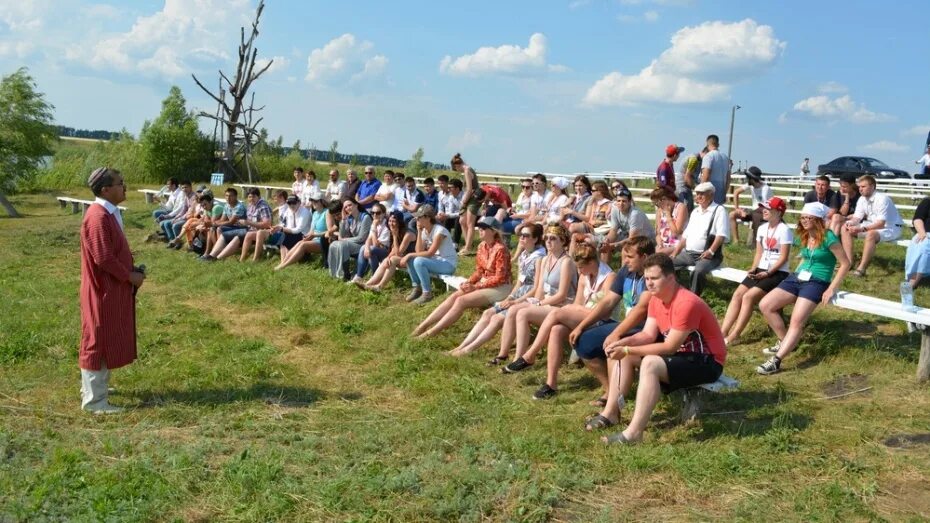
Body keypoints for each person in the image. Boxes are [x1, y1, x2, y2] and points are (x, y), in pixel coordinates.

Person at [596, 253, 726, 444]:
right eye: (647, 278)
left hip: (707, 361)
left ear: (671, 278)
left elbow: (669, 346)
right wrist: (623, 343)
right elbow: (647, 335)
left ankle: (634, 433)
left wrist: (627, 350)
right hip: (684, 356)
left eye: (654, 278)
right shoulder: (656, 299)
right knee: (624, 356)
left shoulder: (686, 303)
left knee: (650, 363)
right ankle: (611, 413)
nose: (649, 283)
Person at [505, 241, 616, 400]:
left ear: (592, 262)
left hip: (602, 320)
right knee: (556, 330)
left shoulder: (609, 277)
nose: (579, 271)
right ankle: (551, 384)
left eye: (581, 267)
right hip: (585, 317)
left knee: (558, 313)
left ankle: (530, 355)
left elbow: (606, 310)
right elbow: (577, 302)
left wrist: (575, 310)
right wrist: (575, 309)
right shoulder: (585, 275)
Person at [79, 167, 145, 414]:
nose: (124, 186)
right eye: (119, 183)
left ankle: (97, 387)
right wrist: (130, 276)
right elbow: (104, 258)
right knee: (97, 339)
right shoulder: (98, 216)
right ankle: (94, 401)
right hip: (102, 289)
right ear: (105, 189)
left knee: (106, 335)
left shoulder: (108, 213)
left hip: (112, 288)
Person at [756, 202, 850, 375]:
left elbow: (845, 264)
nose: (804, 221)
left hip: (818, 281)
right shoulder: (805, 236)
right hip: (798, 277)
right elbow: (805, 257)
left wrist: (831, 288)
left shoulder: (829, 237)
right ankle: (786, 342)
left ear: (818, 220)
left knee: (796, 321)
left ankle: (776, 360)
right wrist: (796, 272)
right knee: (766, 305)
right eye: (803, 217)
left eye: (809, 218)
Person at [567, 237, 655, 416]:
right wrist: (581, 326)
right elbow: (608, 302)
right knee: (583, 341)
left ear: (644, 257)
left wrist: (616, 333)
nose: (625, 261)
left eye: (630, 257)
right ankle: (609, 388)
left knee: (612, 345)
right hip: (627, 325)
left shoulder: (653, 275)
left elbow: (642, 310)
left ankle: (615, 400)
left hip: (646, 330)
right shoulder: (627, 271)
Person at [450, 223, 546, 358]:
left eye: (526, 236)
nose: (521, 238)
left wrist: (515, 301)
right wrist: (510, 297)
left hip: (530, 297)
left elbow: (536, 288)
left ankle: (468, 350)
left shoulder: (540, 258)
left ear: (535, 239)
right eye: (520, 235)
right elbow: (519, 281)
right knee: (487, 313)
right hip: (519, 292)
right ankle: (462, 345)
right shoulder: (524, 254)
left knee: (495, 318)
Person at [412, 216, 512, 338]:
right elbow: (479, 271)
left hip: (502, 287)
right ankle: (423, 325)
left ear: (493, 231)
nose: (480, 230)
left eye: (484, 228)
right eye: (479, 227)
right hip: (486, 283)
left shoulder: (501, 249)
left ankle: (431, 332)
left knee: (461, 301)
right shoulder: (481, 246)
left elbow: (500, 278)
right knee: (456, 295)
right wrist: (469, 282)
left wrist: (475, 287)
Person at [495, 225, 577, 367]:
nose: (548, 241)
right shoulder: (546, 259)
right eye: (546, 238)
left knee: (523, 313)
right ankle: (503, 354)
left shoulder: (566, 262)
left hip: (562, 305)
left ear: (563, 241)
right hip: (547, 302)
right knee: (514, 309)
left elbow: (562, 294)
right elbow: (539, 288)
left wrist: (539, 304)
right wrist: (532, 301)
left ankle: (520, 358)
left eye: (553, 239)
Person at [719, 197, 792, 346]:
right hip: (761, 268)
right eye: (763, 208)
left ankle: (735, 335)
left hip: (778, 272)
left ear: (778, 212)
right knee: (738, 294)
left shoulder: (785, 230)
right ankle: (723, 331)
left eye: (768, 208)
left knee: (748, 297)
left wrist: (768, 272)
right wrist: (753, 267)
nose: (763, 211)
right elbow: (759, 253)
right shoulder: (762, 228)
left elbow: (783, 257)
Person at [391, 204, 460, 304]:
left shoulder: (440, 231)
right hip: (436, 261)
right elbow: (418, 251)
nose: (416, 219)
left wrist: (409, 255)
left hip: (448, 264)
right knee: (412, 259)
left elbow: (430, 252)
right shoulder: (424, 231)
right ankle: (417, 288)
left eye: (419, 217)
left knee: (418, 260)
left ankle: (427, 293)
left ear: (427, 217)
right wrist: (419, 231)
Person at [670, 182, 729, 296]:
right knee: (668, 263)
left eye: (702, 194)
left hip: (709, 256)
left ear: (711, 195)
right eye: (697, 194)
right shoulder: (695, 212)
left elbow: (721, 235)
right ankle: (675, 293)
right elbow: (686, 235)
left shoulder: (719, 210)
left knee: (698, 271)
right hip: (690, 254)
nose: (698, 197)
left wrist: (711, 251)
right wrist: (675, 252)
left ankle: (693, 298)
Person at [841, 174, 905, 277]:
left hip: (892, 228)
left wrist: (861, 229)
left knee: (871, 234)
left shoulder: (882, 199)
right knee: (845, 228)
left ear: (872, 186)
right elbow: (857, 217)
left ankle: (861, 268)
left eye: (863, 186)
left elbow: (881, 224)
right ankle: (849, 262)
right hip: (873, 225)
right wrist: (850, 224)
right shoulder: (862, 199)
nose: (860, 189)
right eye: (859, 187)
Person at [359, 210, 418, 292]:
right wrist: (387, 257)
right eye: (390, 221)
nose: (391, 223)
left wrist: (394, 236)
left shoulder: (408, 234)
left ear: (399, 222)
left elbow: (398, 253)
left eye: (394, 221)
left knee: (392, 259)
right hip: (403, 258)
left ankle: (379, 286)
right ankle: (368, 284)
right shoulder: (397, 231)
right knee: (387, 260)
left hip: (412, 259)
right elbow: (394, 250)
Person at [274, 192, 329, 270]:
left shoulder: (327, 212)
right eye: (312, 201)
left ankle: (283, 266)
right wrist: (307, 237)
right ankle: (283, 263)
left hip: (323, 241)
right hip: (312, 239)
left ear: (322, 202)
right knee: (300, 242)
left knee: (302, 244)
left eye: (316, 201)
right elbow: (311, 231)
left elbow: (330, 231)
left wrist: (313, 235)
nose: (313, 203)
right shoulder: (315, 213)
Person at [602, 186, 655, 262]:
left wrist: (613, 245)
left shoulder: (635, 214)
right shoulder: (615, 209)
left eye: (624, 201)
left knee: (625, 249)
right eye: (619, 201)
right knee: (604, 245)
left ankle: (624, 273)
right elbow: (613, 230)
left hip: (646, 240)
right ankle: (604, 270)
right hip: (629, 236)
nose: (621, 204)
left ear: (630, 202)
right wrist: (607, 242)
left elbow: (632, 239)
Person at [328, 198, 372, 280]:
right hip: (354, 244)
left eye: (350, 205)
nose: (348, 208)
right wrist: (343, 220)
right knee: (333, 244)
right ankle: (333, 273)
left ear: (356, 205)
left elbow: (361, 238)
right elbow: (342, 234)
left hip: (364, 246)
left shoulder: (365, 217)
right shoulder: (349, 218)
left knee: (343, 244)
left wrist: (345, 240)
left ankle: (345, 273)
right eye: (345, 207)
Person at [729, 166, 773, 246]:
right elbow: (736, 192)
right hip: (753, 211)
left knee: (756, 216)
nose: (746, 179)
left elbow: (764, 207)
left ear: (752, 179)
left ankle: (756, 243)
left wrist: (745, 212)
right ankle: (736, 241)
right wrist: (738, 209)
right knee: (732, 214)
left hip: (763, 213)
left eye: (747, 177)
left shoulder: (765, 189)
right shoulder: (750, 184)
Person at [351, 203, 392, 284]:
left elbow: (376, 244)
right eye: (372, 213)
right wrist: (366, 248)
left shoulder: (387, 225)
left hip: (386, 251)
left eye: (378, 213)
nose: (375, 215)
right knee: (366, 249)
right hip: (376, 249)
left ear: (383, 213)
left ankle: (364, 276)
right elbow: (368, 240)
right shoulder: (375, 223)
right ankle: (364, 277)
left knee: (371, 249)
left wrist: (373, 227)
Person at [239, 189, 283, 262]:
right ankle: (242, 259)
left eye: (253, 197)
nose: (251, 199)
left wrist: (248, 223)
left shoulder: (263, 206)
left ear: (258, 197)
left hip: (267, 231)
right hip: (251, 229)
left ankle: (255, 259)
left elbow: (267, 224)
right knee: (248, 234)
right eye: (249, 197)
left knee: (256, 233)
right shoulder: (251, 205)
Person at [451, 153, 481, 255]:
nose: (457, 171)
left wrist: (463, 202)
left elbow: (469, 189)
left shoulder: (467, 170)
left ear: (457, 165)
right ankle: (467, 244)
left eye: (456, 169)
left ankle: (467, 248)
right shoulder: (467, 170)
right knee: (462, 221)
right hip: (469, 198)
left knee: (470, 223)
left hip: (473, 199)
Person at [271, 194, 312, 263]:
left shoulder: (305, 212)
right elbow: (289, 227)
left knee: (283, 237)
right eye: (289, 203)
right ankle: (284, 261)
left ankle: (285, 262)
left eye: (294, 203)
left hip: (305, 236)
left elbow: (298, 230)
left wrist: (281, 229)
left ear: (299, 202)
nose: (291, 205)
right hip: (295, 235)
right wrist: (278, 229)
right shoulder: (289, 211)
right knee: (280, 237)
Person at [650, 185, 688, 255]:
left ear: (664, 199)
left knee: (658, 254)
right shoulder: (659, 211)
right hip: (664, 244)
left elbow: (676, 233)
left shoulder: (681, 207)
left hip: (678, 244)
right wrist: (659, 244)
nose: (656, 206)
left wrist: (668, 214)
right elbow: (658, 233)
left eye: (657, 203)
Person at [905, 196, 930, 288]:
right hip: (925, 233)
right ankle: (913, 279)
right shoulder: (927, 201)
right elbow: (917, 219)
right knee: (923, 244)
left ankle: (912, 281)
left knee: (925, 245)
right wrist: (922, 233)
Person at [700, 134, 731, 205]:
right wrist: (724, 192)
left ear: (707, 144)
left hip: (710, 194)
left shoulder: (708, 156)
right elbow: (728, 178)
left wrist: (700, 193)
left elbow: (706, 176)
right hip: (721, 193)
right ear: (718, 144)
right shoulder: (726, 158)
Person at [437, 178, 464, 244]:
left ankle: (455, 243)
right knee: (447, 220)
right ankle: (446, 241)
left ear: (457, 188)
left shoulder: (464, 196)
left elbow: (463, 213)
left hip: (470, 217)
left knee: (458, 220)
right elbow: (450, 211)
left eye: (450, 187)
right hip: (458, 215)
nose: (448, 189)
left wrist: (447, 215)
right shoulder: (451, 197)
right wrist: (444, 215)